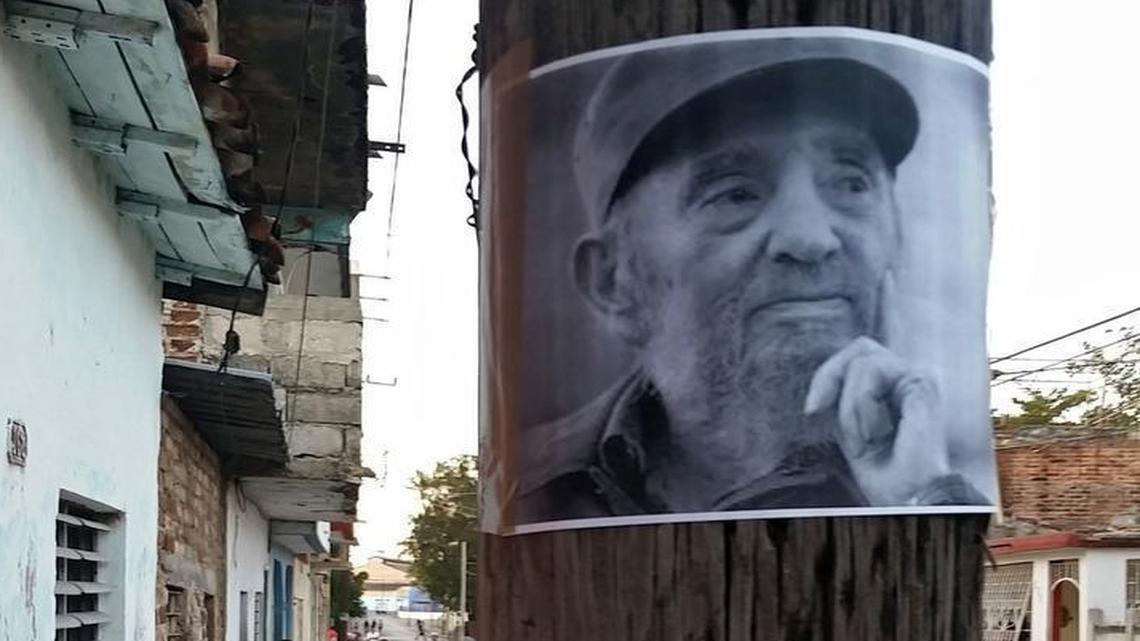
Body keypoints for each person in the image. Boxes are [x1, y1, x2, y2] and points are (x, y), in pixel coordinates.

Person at [513, 51, 989, 524]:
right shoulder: (529, 487)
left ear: (897, 236)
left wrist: (923, 496)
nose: (811, 239)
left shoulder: (942, 474)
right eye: (735, 193)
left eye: (850, 183)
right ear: (612, 281)